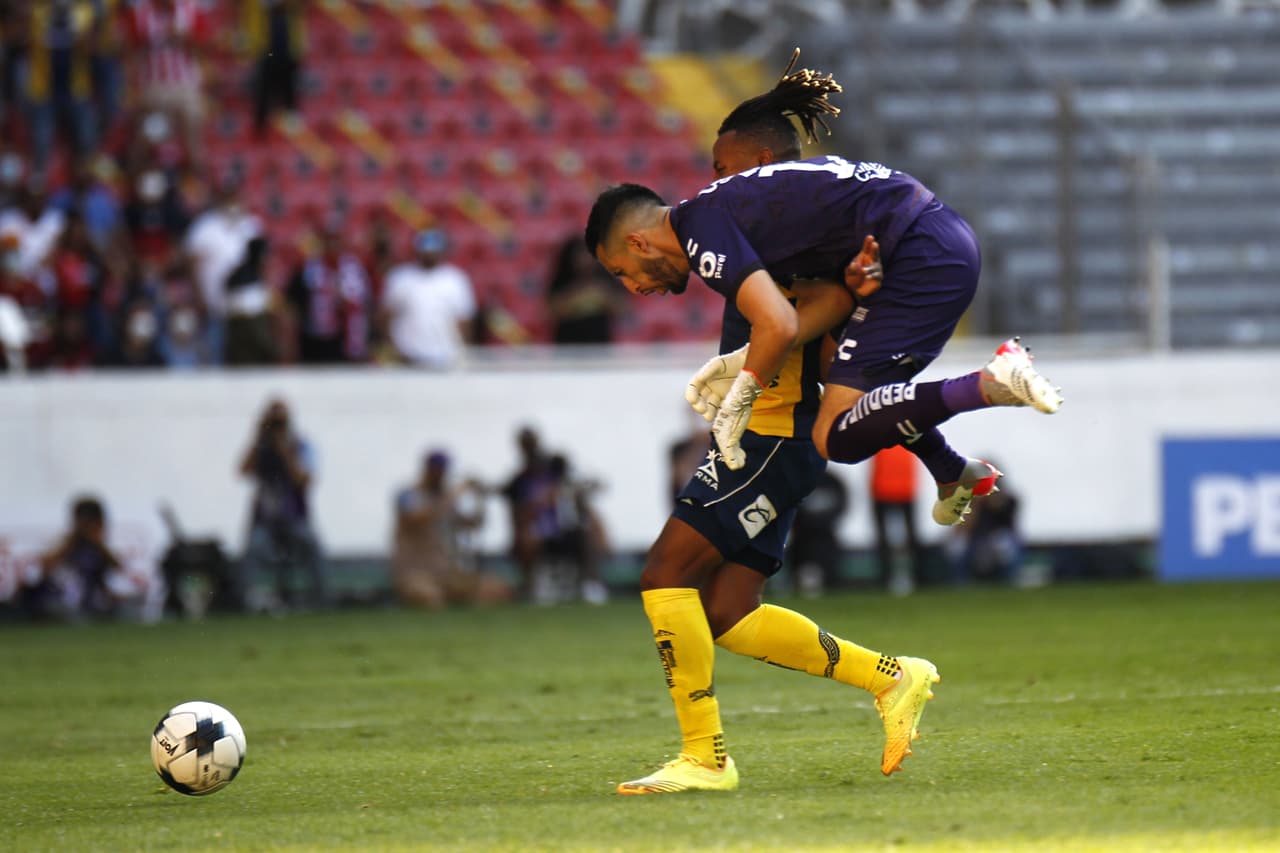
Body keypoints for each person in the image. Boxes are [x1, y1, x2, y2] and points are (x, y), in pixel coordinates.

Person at [584, 53, 1060, 794]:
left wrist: (737, 394)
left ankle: (704, 756)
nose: (714, 176)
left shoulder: (746, 224)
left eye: (724, 163)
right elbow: (835, 313)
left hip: (774, 435)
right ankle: (893, 677)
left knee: (663, 571)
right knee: (730, 611)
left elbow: (813, 324)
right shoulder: (788, 232)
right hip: (773, 431)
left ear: (761, 161)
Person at [391, 450, 511, 610]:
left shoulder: (445, 500)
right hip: (416, 573)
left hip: (446, 572)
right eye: (439, 470)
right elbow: (417, 518)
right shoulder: (408, 495)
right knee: (430, 599)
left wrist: (479, 499)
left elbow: (473, 524)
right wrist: (455, 493)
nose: (442, 475)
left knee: (499, 590)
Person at [237, 398, 325, 610]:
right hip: (265, 518)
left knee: (312, 544)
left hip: (294, 516)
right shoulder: (261, 447)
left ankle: (321, 599)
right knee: (252, 548)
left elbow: (303, 480)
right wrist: (258, 436)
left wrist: (284, 449)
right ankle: (242, 600)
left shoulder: (300, 445)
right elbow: (243, 470)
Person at [379, 227, 475, 369]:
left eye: (434, 250)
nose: (430, 254)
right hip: (408, 356)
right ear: (417, 250)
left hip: (446, 357)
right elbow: (386, 315)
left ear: (442, 251)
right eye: (426, 250)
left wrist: (462, 351)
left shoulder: (455, 279)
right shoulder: (400, 277)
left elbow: (464, 320)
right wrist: (393, 348)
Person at [23, 495, 131, 619]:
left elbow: (118, 569)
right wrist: (72, 541)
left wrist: (97, 543)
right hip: (56, 603)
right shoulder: (61, 542)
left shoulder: (99, 549)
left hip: (86, 607)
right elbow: (41, 570)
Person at [545, 232, 619, 345]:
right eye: (581, 254)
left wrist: (603, 295)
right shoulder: (562, 278)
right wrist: (576, 295)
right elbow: (548, 312)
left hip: (600, 345)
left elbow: (624, 308)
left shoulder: (604, 278)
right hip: (567, 344)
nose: (586, 259)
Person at [786, 467, 849, 597]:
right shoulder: (800, 478)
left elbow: (842, 503)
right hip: (802, 533)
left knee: (825, 546)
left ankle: (830, 581)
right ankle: (798, 580)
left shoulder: (831, 481)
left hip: (824, 531)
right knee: (800, 546)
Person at [869, 445, 922, 593]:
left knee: (888, 538)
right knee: (908, 537)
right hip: (899, 488)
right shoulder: (910, 426)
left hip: (887, 488)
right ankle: (916, 577)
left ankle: (887, 578)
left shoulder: (879, 430)